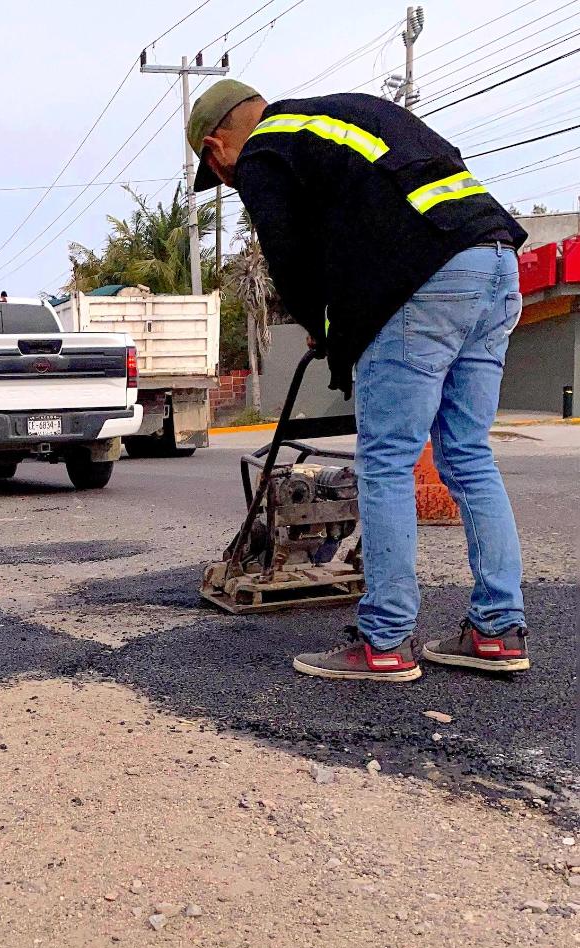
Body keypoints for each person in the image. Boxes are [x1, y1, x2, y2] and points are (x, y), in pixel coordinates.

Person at [187, 81, 530, 682]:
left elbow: (292, 262)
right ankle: (498, 631)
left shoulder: (264, 151)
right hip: (495, 261)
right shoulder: (341, 115)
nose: (230, 180)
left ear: (216, 150)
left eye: (219, 173)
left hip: (423, 282)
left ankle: (385, 641)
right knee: (470, 456)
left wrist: (326, 331)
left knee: (387, 461)